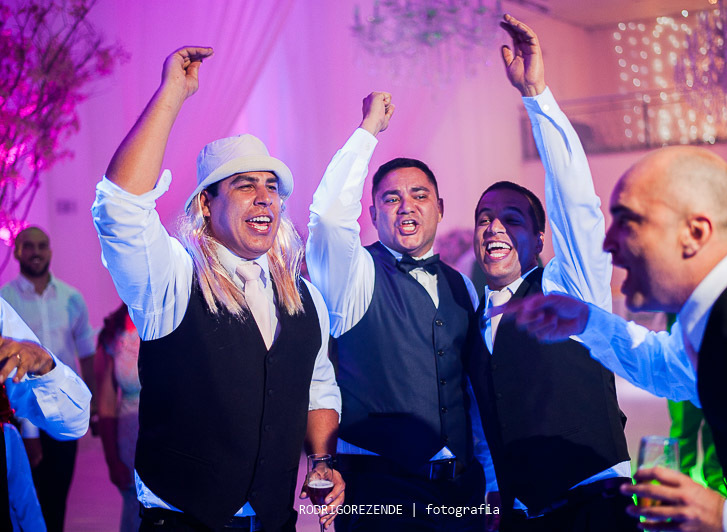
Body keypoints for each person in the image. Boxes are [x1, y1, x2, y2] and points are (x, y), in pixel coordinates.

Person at [91, 46, 342, 532]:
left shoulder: (307, 301)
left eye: (271, 186)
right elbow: (120, 210)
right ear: (206, 204)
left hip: (273, 522)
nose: (265, 195)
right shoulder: (174, 281)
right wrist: (171, 95)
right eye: (245, 185)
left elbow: (318, 386)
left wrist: (321, 461)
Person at [500, 145, 727, 531]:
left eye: (628, 221)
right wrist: (588, 321)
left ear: (694, 233)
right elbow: (666, 367)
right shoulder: (720, 314)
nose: (608, 243)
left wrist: (723, 516)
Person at [464, 14, 635, 532]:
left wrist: (536, 97)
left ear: (540, 240)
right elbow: (483, 423)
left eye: (511, 219)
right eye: (484, 218)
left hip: (597, 505)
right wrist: (494, 492)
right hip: (520, 517)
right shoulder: (470, 322)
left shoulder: (569, 287)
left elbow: (577, 204)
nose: (494, 227)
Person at [307, 92, 496, 529]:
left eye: (419, 195)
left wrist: (489, 478)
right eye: (391, 199)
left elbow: (470, 392)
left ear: (440, 209)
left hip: (461, 492)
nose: (406, 206)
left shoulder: (462, 285)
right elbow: (331, 217)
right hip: (380, 492)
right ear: (372, 214)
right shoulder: (353, 274)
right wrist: (369, 130)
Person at [0, 226, 96, 532]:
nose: (37, 252)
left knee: (55, 501)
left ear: (51, 251)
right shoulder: (7, 297)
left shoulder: (72, 297)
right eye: (29, 246)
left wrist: (91, 408)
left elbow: (86, 353)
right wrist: (26, 434)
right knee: (26, 497)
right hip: (17, 417)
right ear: (17, 251)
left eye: (43, 246)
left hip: (60, 404)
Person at [94, 302, 140, 532]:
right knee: (135, 513)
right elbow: (107, 405)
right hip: (130, 441)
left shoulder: (174, 315)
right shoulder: (115, 330)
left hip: (170, 437)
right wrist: (112, 461)